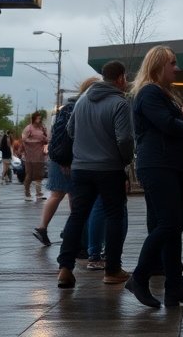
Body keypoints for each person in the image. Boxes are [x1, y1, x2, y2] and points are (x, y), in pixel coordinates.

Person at [126, 46, 183, 309]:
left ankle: (175, 287)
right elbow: (170, 126)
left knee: (173, 226)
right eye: (173, 63)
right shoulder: (149, 92)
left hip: (171, 165)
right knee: (169, 223)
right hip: (159, 166)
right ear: (158, 66)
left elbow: (172, 124)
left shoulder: (163, 94)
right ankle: (139, 277)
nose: (177, 68)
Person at [56, 62, 133, 290]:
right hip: (109, 168)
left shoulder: (82, 101)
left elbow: (70, 130)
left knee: (77, 216)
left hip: (81, 168)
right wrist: (125, 160)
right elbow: (125, 139)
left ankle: (65, 268)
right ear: (120, 78)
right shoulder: (119, 103)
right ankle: (112, 270)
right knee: (114, 216)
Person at [34, 78, 98, 247]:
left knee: (62, 195)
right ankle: (68, 232)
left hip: (59, 156)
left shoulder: (68, 107)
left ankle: (55, 228)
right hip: (67, 159)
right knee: (67, 196)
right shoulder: (80, 107)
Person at [21, 112, 49, 201]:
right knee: (29, 174)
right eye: (37, 118)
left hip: (39, 155)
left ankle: (38, 193)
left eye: (40, 118)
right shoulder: (28, 128)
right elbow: (24, 139)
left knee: (39, 175)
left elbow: (46, 139)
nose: (39, 120)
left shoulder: (42, 128)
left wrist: (45, 138)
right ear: (33, 119)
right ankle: (27, 193)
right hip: (30, 155)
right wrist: (36, 141)